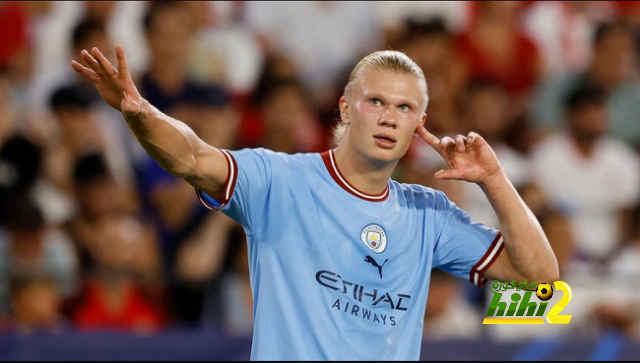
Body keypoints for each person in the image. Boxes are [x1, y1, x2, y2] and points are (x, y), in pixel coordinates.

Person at [71, 45, 558, 360]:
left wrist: (494, 179)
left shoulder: (428, 214)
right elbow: (193, 157)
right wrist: (138, 110)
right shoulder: (281, 180)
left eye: (404, 108)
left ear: (419, 124)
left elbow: (543, 287)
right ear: (346, 108)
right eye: (377, 102)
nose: (390, 118)